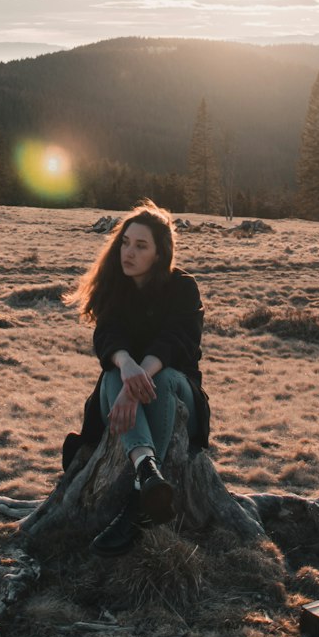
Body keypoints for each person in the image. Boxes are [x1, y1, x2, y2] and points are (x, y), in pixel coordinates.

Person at [64, 199, 210, 556]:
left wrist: (139, 377)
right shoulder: (117, 288)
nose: (128, 252)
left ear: (160, 254)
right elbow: (107, 336)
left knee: (158, 380)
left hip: (179, 396)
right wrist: (126, 363)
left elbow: (177, 340)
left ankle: (137, 504)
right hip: (121, 387)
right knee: (115, 374)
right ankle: (148, 474)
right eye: (126, 242)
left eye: (140, 246)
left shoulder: (182, 287)